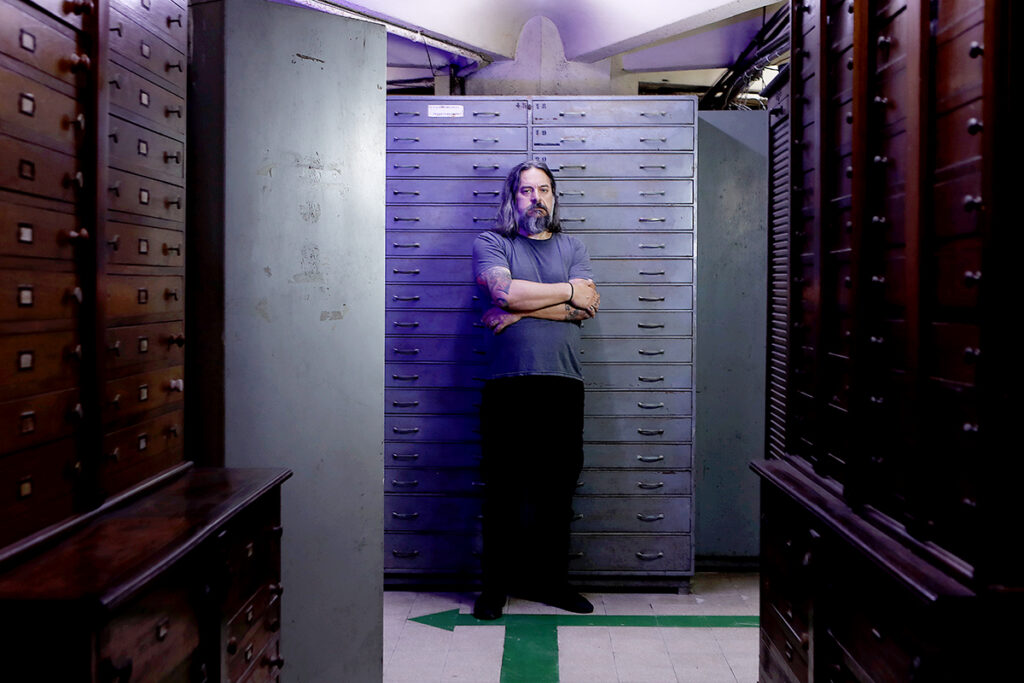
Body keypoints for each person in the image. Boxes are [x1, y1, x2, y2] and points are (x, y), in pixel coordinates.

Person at [470, 160, 600, 620]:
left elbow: (587, 309)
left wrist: (520, 311)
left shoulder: (573, 246)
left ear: (554, 197)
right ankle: (494, 589)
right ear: (513, 198)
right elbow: (503, 293)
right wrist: (565, 291)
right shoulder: (493, 243)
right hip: (508, 386)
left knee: (557, 491)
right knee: (502, 491)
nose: (536, 198)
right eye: (527, 190)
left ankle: (553, 584)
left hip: (563, 385)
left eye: (544, 190)